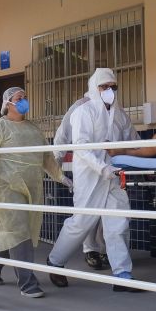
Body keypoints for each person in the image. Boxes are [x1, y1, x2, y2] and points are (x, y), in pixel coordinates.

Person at [46, 68, 144, 292]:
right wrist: (102, 167)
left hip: (114, 176)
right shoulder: (84, 111)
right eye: (104, 86)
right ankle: (55, 262)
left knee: (118, 222)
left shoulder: (120, 115)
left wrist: (140, 159)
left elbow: (133, 142)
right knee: (81, 222)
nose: (109, 91)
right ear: (94, 88)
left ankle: (122, 275)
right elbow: (81, 147)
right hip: (90, 175)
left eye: (113, 87)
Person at [0, 87, 72, 298]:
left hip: (32, 188)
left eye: (25, 97)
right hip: (5, 188)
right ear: (8, 103)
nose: (24, 101)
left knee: (16, 233)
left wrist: (61, 177)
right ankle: (27, 283)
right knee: (20, 231)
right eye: (19, 98)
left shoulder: (34, 129)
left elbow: (46, 159)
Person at [54, 94, 110, 271]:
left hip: (107, 167)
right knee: (86, 212)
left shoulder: (112, 107)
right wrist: (57, 164)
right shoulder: (79, 107)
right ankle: (90, 250)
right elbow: (63, 134)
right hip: (86, 169)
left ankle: (103, 250)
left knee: (106, 214)